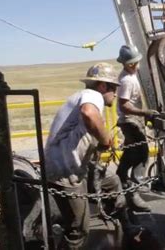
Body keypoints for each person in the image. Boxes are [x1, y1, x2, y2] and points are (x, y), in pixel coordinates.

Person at [44, 62, 124, 249]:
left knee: (112, 182)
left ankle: (121, 224)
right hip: (65, 174)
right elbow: (88, 114)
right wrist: (105, 140)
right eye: (114, 88)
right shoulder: (92, 95)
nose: (116, 93)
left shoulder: (80, 96)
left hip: (74, 168)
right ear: (103, 86)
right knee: (78, 229)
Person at [116, 45, 158, 213]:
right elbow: (124, 105)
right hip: (130, 122)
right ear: (131, 64)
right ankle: (136, 188)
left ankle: (120, 182)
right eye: (135, 62)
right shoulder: (127, 80)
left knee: (127, 157)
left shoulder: (129, 76)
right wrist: (144, 112)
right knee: (142, 155)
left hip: (131, 121)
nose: (137, 65)